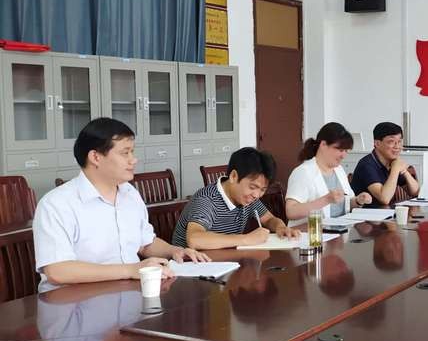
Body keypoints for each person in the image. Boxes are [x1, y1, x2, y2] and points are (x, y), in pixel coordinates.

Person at [33, 118, 209, 292]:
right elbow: (57, 271)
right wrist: (130, 270)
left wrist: (174, 251)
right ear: (95, 157)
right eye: (125, 153)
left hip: (127, 293)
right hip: (73, 301)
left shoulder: (129, 194)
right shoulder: (57, 204)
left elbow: (145, 243)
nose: (133, 160)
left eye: (132, 152)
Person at [172, 147, 300, 249]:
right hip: (191, 266)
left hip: (224, 261)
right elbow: (194, 239)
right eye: (252, 187)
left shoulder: (248, 199)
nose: (256, 195)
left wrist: (280, 227)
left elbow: (269, 219)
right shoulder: (207, 199)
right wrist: (246, 239)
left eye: (262, 190)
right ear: (233, 176)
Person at [285, 122, 372, 226]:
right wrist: (326, 200)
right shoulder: (303, 172)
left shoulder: (339, 170)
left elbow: (346, 204)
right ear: (323, 145)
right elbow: (291, 211)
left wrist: (358, 200)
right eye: (340, 150)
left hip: (339, 229)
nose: (343, 156)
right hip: (310, 232)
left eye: (346, 151)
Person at [350, 122, 420, 207]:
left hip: (386, 213)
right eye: (391, 142)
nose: (397, 146)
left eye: (399, 141)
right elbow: (384, 198)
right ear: (377, 144)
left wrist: (405, 172)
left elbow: (416, 192)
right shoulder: (367, 165)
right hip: (366, 214)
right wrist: (395, 169)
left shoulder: (393, 162)